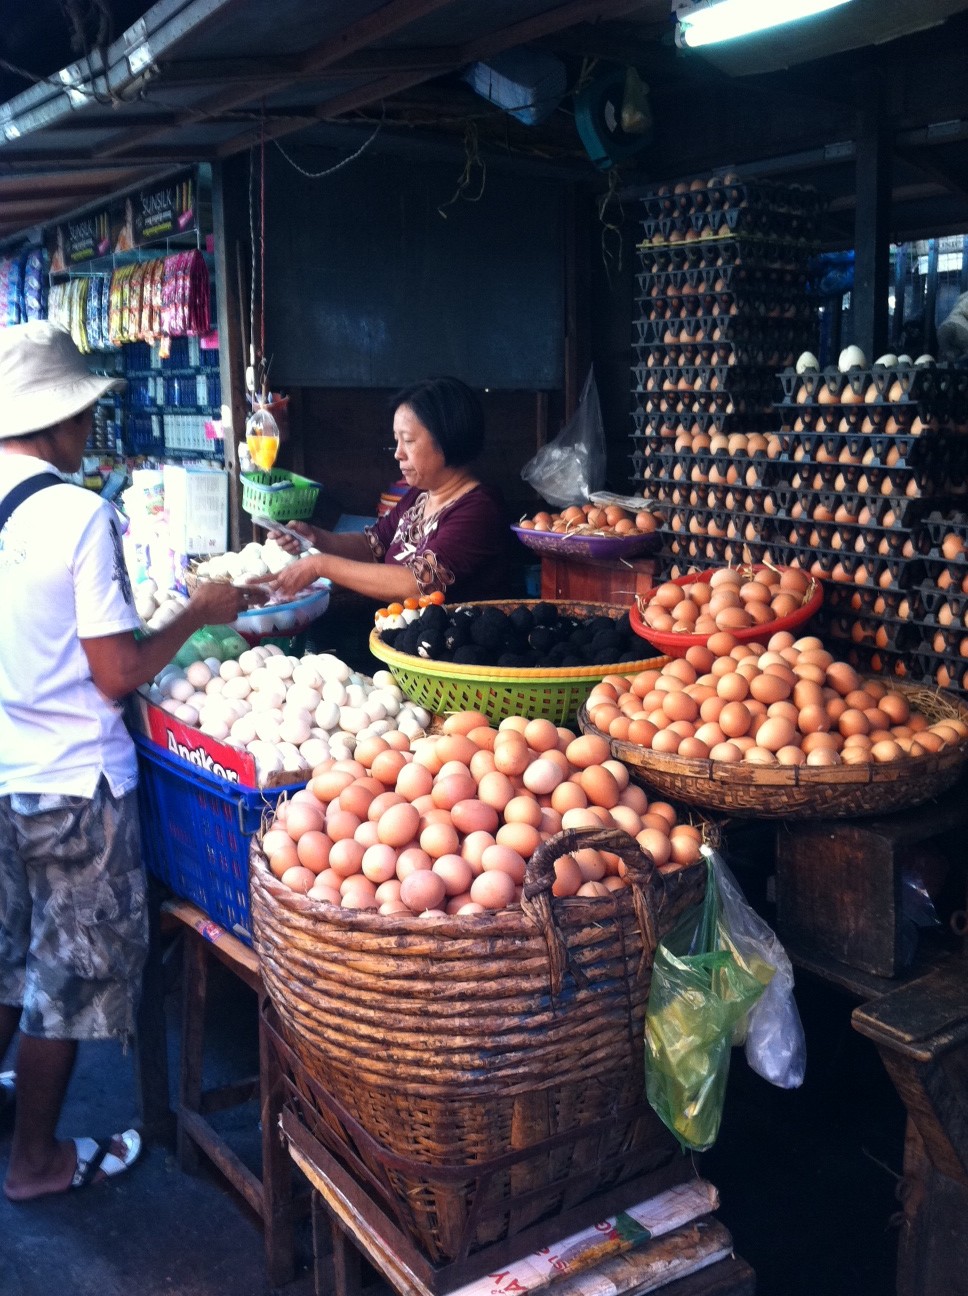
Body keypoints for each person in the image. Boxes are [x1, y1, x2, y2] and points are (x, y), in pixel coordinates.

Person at [0, 321, 263, 1202]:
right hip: (76, 782)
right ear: (63, 420)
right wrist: (200, 611)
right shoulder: (78, 514)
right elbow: (117, 672)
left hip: (6, 768)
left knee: (8, 960)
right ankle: (35, 1161)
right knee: (68, 977)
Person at [264, 377, 509, 606]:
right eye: (396, 441)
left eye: (408, 440)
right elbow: (373, 547)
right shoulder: (420, 495)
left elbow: (419, 584)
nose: (398, 453)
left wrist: (319, 565)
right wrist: (315, 537)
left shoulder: (479, 508)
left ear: (448, 438)